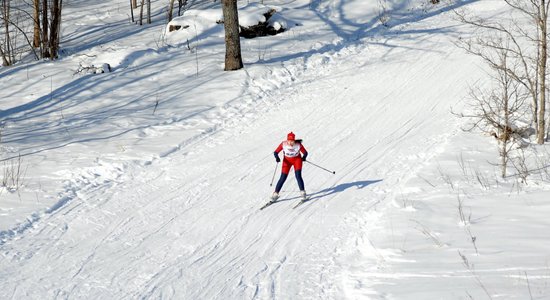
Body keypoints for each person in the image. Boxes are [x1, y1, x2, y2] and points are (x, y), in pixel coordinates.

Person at [272, 132, 308, 201]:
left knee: (298, 176)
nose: (291, 142)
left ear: (294, 140)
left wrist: (304, 157)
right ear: (287, 140)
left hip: (297, 161)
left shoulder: (298, 145)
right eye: (289, 141)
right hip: (287, 162)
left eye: (292, 141)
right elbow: (275, 152)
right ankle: (275, 194)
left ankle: (303, 192)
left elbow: (305, 152)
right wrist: (277, 157)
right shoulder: (283, 144)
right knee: (283, 178)